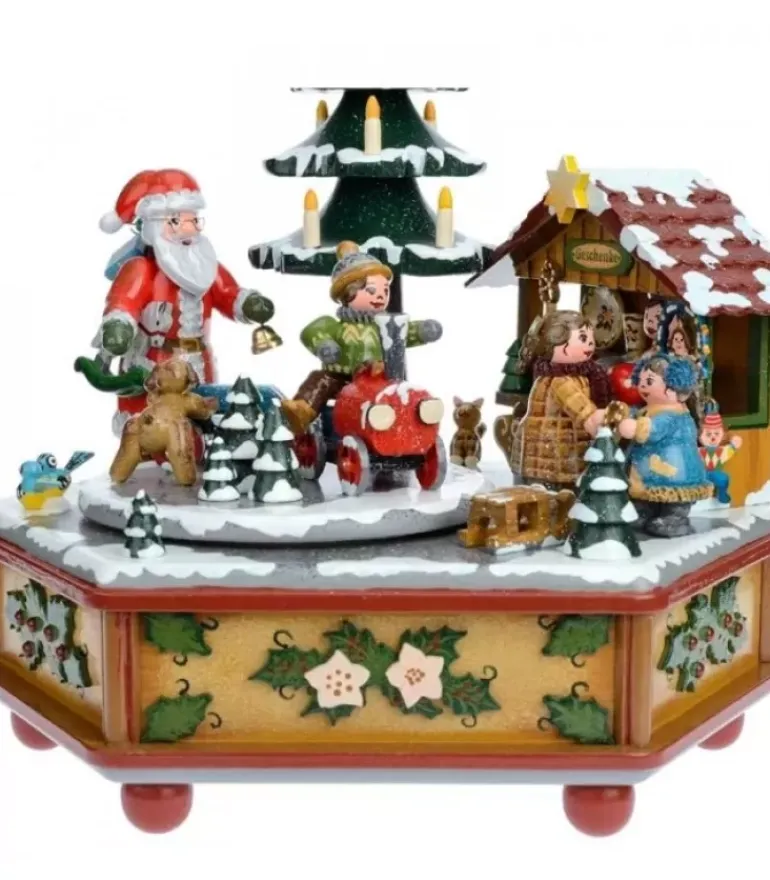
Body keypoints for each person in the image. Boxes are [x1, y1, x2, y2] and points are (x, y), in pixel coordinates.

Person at [94, 169, 275, 434]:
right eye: (177, 221)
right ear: (154, 226)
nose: (189, 229)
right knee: (152, 425)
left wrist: (248, 303)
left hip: (199, 362)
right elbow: (124, 302)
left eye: (194, 220)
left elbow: (227, 292)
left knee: (201, 416)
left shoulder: (204, 267)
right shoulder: (141, 269)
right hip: (156, 365)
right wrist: (118, 326)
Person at [281, 241, 442, 435]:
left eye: (385, 291)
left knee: (400, 391)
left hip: (378, 379)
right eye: (372, 290)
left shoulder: (384, 326)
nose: (380, 296)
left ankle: (410, 423)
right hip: (343, 381)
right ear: (347, 292)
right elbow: (312, 331)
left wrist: (423, 330)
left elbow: (402, 333)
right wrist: (324, 345)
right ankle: (302, 411)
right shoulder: (335, 326)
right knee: (321, 380)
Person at [509, 310, 610, 491]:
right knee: (555, 500)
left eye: (590, 337)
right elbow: (584, 413)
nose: (590, 343)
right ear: (559, 345)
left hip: (545, 457)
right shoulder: (561, 381)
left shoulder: (570, 374)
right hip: (553, 459)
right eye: (582, 338)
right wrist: (606, 422)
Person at [617, 354, 712, 537]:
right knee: (647, 496)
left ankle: (675, 520)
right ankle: (644, 512)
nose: (642, 386)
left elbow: (654, 429)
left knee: (674, 501)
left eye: (649, 381)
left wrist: (636, 428)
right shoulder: (650, 409)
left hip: (675, 472)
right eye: (641, 381)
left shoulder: (673, 414)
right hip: (651, 470)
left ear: (672, 389)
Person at [699, 401, 742, 504]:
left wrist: (734, 444)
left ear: (722, 434)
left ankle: (722, 494)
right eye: (708, 434)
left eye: (717, 434)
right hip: (701, 473)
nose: (713, 437)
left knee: (723, 479)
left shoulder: (722, 451)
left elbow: (731, 448)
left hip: (715, 472)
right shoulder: (699, 451)